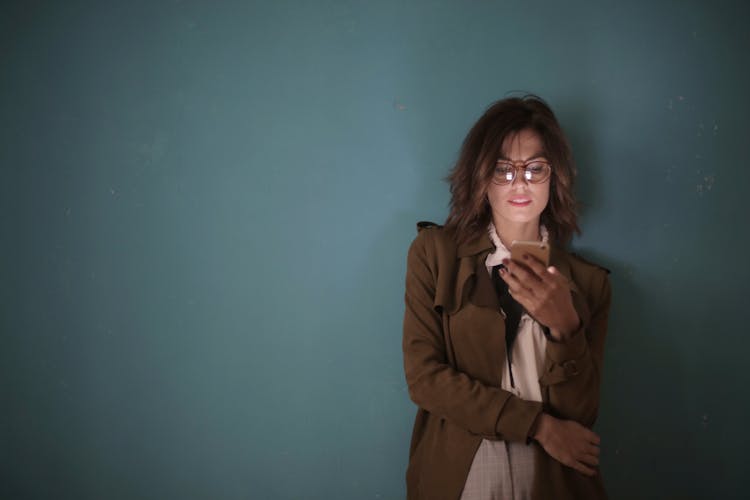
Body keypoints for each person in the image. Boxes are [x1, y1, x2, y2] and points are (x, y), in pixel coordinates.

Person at [402, 95, 612, 500]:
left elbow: (582, 415)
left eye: (536, 168)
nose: (521, 182)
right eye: (503, 169)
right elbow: (425, 379)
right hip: (462, 479)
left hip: (554, 481)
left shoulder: (590, 284)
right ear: (481, 177)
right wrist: (539, 426)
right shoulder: (434, 255)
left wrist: (565, 327)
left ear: (555, 177)